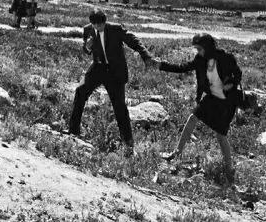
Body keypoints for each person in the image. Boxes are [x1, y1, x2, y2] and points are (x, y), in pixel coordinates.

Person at [68, 9, 158, 155]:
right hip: (98, 67)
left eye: (101, 25)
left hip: (115, 71)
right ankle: (73, 131)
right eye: (96, 25)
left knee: (119, 106)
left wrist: (146, 56)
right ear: (92, 24)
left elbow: (134, 41)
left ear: (105, 21)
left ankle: (128, 143)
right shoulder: (87, 30)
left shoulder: (116, 29)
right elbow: (86, 50)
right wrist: (87, 46)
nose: (98, 28)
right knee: (80, 90)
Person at [154, 33, 242, 180]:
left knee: (221, 136)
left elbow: (238, 74)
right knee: (193, 118)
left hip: (227, 102)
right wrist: (161, 65)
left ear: (207, 48)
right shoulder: (200, 59)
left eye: (199, 48)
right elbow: (183, 67)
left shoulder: (226, 58)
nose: (197, 52)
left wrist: (231, 84)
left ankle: (230, 170)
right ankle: (176, 153)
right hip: (212, 98)